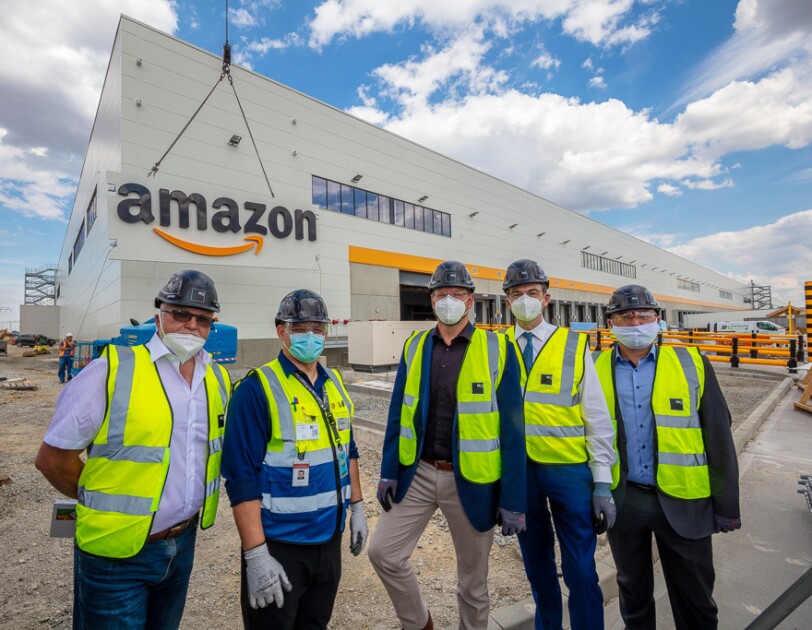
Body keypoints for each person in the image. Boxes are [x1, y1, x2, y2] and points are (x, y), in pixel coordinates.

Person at [34, 269, 231, 629]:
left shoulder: (216, 378)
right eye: (180, 314)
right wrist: (102, 500)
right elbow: (52, 460)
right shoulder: (111, 371)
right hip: (115, 556)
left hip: (182, 544)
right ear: (159, 315)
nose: (190, 325)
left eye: (202, 319)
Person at [368, 260, 526, 630]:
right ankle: (419, 623)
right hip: (419, 474)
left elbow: (514, 432)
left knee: (473, 584)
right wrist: (389, 471)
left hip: (471, 480)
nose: (449, 300)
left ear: (470, 302)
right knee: (383, 553)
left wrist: (513, 499)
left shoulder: (497, 349)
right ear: (432, 300)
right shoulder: (416, 346)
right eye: (442, 294)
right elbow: (398, 413)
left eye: (457, 294)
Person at [594, 284, 741, 629]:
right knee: (633, 594)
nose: (634, 322)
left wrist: (727, 507)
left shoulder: (691, 363)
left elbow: (718, 436)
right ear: (610, 323)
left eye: (643, 315)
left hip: (684, 500)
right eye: (624, 316)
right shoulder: (595, 367)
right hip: (625, 500)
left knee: (696, 598)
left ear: (657, 319)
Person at [221, 289, 367, 629]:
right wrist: (256, 555)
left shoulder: (335, 384)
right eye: (301, 328)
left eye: (318, 328)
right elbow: (241, 477)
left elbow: (350, 450)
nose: (311, 336)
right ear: (280, 330)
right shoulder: (257, 389)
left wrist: (357, 506)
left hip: (328, 541)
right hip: (280, 546)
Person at [501, 259, 616, 630]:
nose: (524, 300)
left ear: (546, 298)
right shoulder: (496, 347)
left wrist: (601, 481)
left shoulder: (573, 345)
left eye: (532, 293)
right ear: (506, 302)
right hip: (520, 475)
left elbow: (596, 417)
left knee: (581, 570)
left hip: (570, 473)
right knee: (537, 566)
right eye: (516, 294)